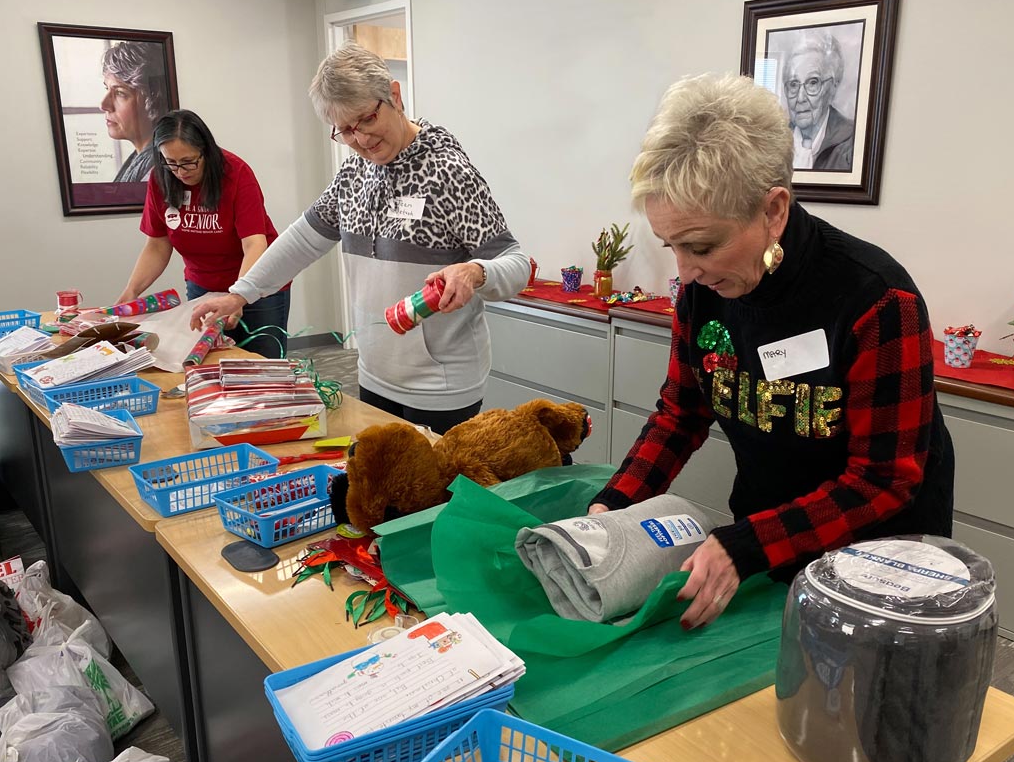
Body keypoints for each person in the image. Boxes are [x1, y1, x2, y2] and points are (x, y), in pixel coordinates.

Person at [590, 74, 954, 630]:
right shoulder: (702, 293)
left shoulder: (875, 299)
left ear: (774, 211)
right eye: (672, 247)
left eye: (703, 246)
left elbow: (885, 478)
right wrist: (612, 509)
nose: (684, 272)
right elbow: (681, 413)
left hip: (877, 555)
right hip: (770, 532)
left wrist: (748, 544)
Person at [192, 42, 530, 434]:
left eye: (366, 120)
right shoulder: (354, 174)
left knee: (432, 495)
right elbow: (302, 240)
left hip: (441, 385)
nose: (361, 139)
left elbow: (516, 263)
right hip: (373, 375)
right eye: (346, 131)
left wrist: (475, 271)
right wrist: (240, 293)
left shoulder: (449, 172)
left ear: (395, 97)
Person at [117, 109, 289, 358]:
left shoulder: (236, 173)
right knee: (208, 362)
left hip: (257, 284)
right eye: (171, 162)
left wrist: (239, 295)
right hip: (203, 285)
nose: (180, 171)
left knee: (260, 365)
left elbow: (253, 244)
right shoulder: (161, 178)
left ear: (206, 151)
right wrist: (131, 292)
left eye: (188, 161)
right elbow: (157, 245)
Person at [782, 31, 854, 171]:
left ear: (833, 86)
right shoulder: (773, 142)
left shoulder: (852, 142)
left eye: (812, 83)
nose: (800, 98)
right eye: (793, 84)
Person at [101, 40, 171, 182]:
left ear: (154, 99)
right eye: (106, 89)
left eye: (120, 93)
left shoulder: (157, 173)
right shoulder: (141, 161)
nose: (103, 105)